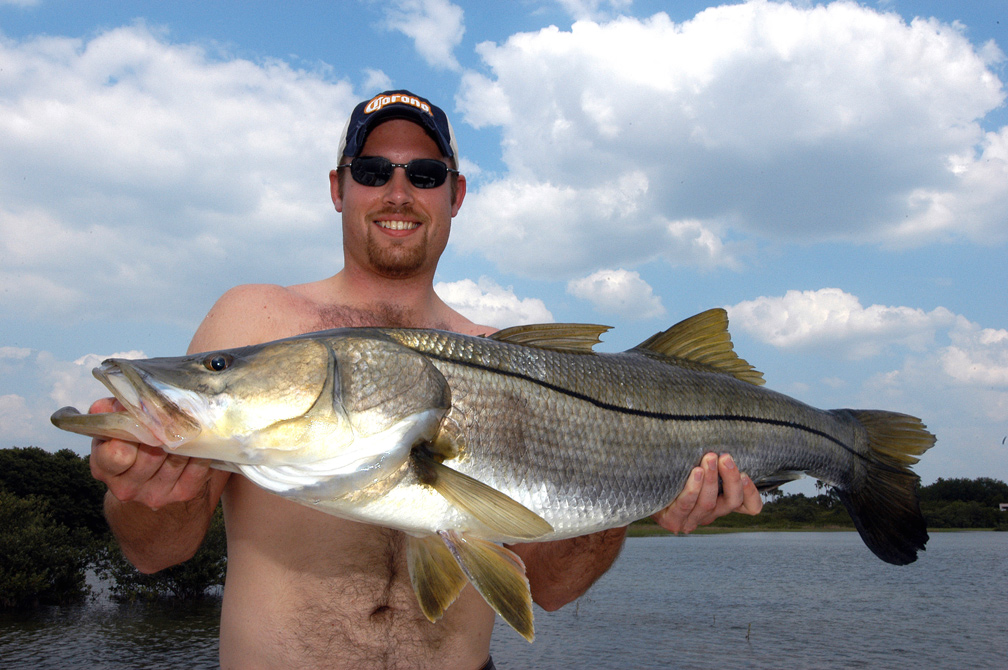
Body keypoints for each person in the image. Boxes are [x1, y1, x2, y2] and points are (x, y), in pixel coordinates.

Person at [88, 90, 763, 670]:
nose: (399, 191)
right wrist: (147, 490)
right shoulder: (255, 316)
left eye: (427, 172)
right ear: (338, 186)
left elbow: (553, 586)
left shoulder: (509, 360)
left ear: (456, 193)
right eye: (374, 169)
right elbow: (155, 552)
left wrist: (632, 492)